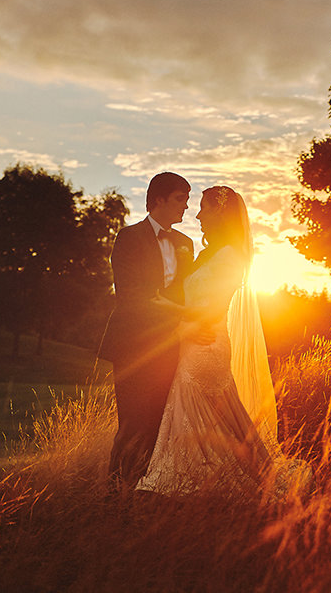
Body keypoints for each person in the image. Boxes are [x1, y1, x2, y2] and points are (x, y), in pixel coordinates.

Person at [136, 185, 306, 498]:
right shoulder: (208, 253)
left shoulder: (232, 257)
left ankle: (189, 479)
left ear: (221, 213)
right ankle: (233, 475)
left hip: (206, 342)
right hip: (191, 339)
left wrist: (166, 307)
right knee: (225, 415)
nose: (197, 215)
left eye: (204, 208)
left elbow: (212, 308)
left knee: (203, 409)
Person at [101, 172, 195, 486]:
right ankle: (116, 494)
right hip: (134, 344)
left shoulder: (185, 243)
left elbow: (187, 290)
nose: (186, 206)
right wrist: (171, 315)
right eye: (180, 198)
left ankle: (146, 490)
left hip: (172, 345)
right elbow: (130, 293)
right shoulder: (128, 237)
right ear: (158, 200)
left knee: (159, 422)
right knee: (132, 423)